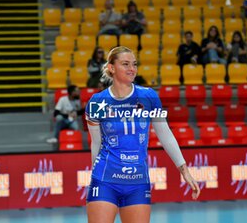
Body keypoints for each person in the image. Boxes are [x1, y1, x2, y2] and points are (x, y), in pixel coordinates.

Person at [85, 46, 200, 223]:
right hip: (105, 179)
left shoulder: (148, 96)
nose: (132, 69)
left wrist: (184, 170)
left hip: (137, 181)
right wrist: (95, 175)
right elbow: (96, 143)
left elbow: (165, 134)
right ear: (111, 68)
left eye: (134, 64)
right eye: (125, 64)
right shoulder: (97, 102)